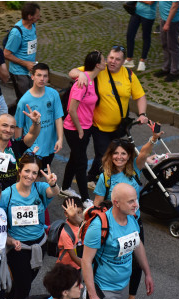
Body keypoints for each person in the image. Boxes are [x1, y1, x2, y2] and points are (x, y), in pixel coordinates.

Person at [92, 125, 161, 299]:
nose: (120, 157)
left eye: (123, 154)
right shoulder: (105, 177)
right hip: (113, 228)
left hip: (135, 225)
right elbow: (97, 203)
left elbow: (145, 151)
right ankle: (98, 291)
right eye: (116, 153)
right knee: (111, 260)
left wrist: (153, 138)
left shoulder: (134, 171)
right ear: (110, 155)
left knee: (136, 262)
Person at [68, 46, 149, 186]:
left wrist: (142, 114)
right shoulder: (100, 69)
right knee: (105, 153)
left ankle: (92, 176)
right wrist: (80, 74)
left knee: (105, 153)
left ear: (124, 61)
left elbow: (140, 96)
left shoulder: (128, 75)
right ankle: (94, 178)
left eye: (117, 59)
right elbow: (72, 72)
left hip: (119, 127)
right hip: (98, 125)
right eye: (111, 58)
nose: (113, 61)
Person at [0, 155, 59, 299]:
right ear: (19, 171)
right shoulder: (6, 195)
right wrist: (9, 240)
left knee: (25, 280)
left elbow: (53, 192)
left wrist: (53, 184)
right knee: (24, 286)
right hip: (18, 248)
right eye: (27, 171)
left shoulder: (39, 189)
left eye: (34, 173)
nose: (30, 176)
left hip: (40, 244)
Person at [61, 51, 105, 206]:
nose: (106, 62)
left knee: (75, 157)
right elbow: (71, 110)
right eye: (103, 60)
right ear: (98, 65)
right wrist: (80, 129)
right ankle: (85, 198)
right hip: (75, 129)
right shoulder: (83, 83)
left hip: (85, 127)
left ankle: (65, 187)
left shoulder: (92, 80)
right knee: (81, 162)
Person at [14, 63, 63, 170]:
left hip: (50, 147)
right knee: (31, 176)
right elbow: (18, 126)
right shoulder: (24, 101)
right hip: (33, 148)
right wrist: (18, 151)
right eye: (39, 75)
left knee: (42, 174)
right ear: (32, 77)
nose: (42, 79)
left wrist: (60, 139)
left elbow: (58, 117)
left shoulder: (54, 94)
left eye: (45, 76)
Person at [4, 2, 40, 103]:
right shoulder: (17, 33)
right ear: (30, 16)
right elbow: (6, 54)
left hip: (29, 71)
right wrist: (26, 63)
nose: (39, 17)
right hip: (19, 73)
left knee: (32, 98)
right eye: (37, 15)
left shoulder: (33, 26)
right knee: (25, 101)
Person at [154, 1, 179, 82]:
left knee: (173, 46)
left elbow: (175, 6)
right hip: (164, 18)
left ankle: (174, 72)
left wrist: (167, 23)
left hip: (173, 21)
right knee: (165, 44)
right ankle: (166, 68)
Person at [125, 1, 157, 72]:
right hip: (136, 12)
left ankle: (142, 61)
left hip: (148, 15)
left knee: (146, 37)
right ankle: (129, 59)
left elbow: (150, 2)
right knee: (130, 35)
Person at [56, 197, 83, 271]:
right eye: (73, 213)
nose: (76, 216)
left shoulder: (82, 226)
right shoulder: (66, 233)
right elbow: (73, 257)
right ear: (66, 214)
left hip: (79, 264)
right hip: (67, 268)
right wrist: (87, 267)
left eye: (79, 212)